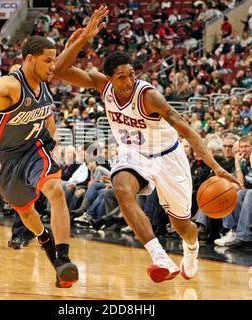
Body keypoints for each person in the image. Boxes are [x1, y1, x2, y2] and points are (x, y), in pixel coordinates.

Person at [53, 27, 240, 282]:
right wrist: (81, 40)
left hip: (168, 157)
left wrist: (215, 166)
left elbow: (187, 130)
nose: (128, 82)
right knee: (121, 187)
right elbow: (60, 70)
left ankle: (191, 248)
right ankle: (160, 257)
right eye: (121, 77)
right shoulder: (102, 86)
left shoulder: (149, 96)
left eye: (131, 75)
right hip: (133, 154)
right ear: (109, 79)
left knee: (183, 226)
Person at [0, 6, 108, 288]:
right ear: (30, 61)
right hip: (4, 159)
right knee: (26, 212)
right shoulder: (12, 85)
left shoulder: (43, 75)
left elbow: (64, 60)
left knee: (55, 190)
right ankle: (44, 240)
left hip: (34, 148)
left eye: (54, 60)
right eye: (48, 61)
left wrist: (84, 39)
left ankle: (62, 259)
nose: (53, 66)